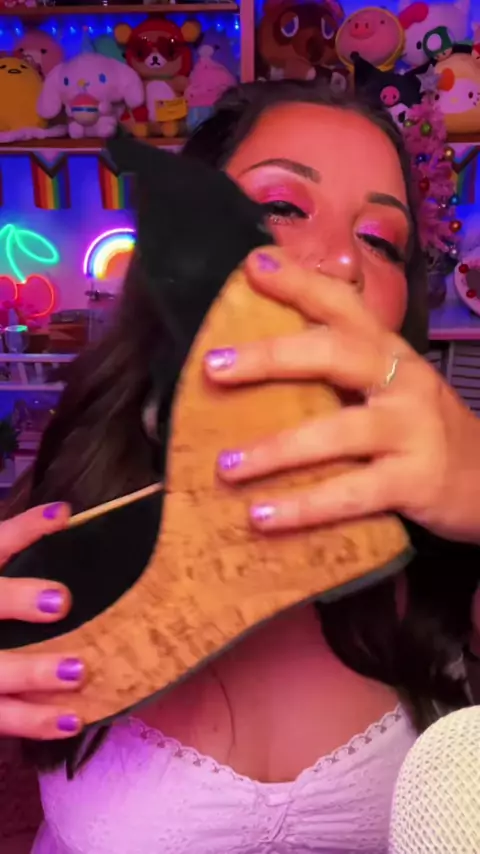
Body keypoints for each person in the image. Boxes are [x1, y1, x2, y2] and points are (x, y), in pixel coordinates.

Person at [0, 80, 480, 854]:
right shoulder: (72, 501)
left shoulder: (447, 543)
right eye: (283, 206)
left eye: (381, 241)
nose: (341, 261)